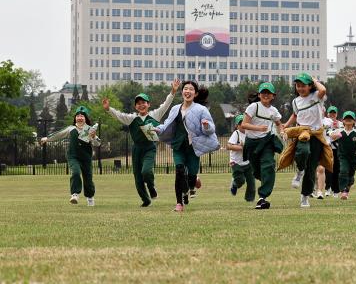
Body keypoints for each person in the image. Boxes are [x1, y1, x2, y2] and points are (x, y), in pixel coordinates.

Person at [102, 79, 179, 206]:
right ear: (135, 106)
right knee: (138, 178)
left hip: (149, 148)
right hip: (137, 149)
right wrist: (108, 109)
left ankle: (152, 187)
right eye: (138, 103)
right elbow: (119, 115)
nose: (141, 105)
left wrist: (173, 91)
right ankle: (146, 200)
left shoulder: (155, 115)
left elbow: (166, 104)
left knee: (146, 172)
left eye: (143, 102)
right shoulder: (132, 118)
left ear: (148, 104)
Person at [156, 81, 219, 212]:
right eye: (185, 89)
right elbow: (167, 124)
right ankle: (179, 203)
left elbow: (211, 129)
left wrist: (206, 126)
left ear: (195, 94)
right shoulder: (175, 109)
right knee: (179, 171)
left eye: (191, 89)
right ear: (182, 92)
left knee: (190, 178)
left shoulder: (201, 110)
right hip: (178, 146)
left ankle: (193, 180)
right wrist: (159, 129)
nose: (187, 91)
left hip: (193, 148)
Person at [282, 73, 333, 209]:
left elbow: (323, 90)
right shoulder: (295, 101)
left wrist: (314, 80)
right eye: (298, 86)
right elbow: (295, 115)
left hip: (316, 134)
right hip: (302, 133)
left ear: (310, 86)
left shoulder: (316, 96)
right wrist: (285, 126)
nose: (300, 88)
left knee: (311, 169)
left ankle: (305, 196)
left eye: (303, 85)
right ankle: (299, 171)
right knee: (302, 152)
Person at [40, 106, 100, 206]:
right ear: (75, 118)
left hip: (86, 158)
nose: (80, 118)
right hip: (73, 156)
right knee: (76, 172)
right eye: (78, 116)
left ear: (86, 118)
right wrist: (47, 138)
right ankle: (75, 194)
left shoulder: (89, 130)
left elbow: (97, 144)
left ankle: (90, 198)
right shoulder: (71, 129)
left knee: (88, 178)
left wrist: (93, 137)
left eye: (82, 116)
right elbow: (58, 134)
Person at [241, 82, 286, 210]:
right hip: (252, 143)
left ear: (273, 96)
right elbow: (244, 124)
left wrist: (282, 132)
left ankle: (262, 197)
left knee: (268, 165)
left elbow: (279, 123)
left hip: (267, 141)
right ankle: (267, 180)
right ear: (259, 95)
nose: (266, 95)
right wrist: (258, 128)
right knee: (257, 171)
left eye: (268, 93)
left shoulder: (274, 111)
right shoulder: (253, 107)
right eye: (263, 92)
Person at [224, 114, 256, 203]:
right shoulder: (236, 133)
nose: (243, 125)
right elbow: (228, 146)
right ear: (237, 125)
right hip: (236, 162)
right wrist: (240, 147)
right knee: (241, 180)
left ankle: (250, 199)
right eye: (241, 123)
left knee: (251, 181)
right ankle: (235, 183)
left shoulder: (251, 134)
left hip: (247, 162)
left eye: (245, 123)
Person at [333, 111, 356, 200]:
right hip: (343, 156)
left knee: (350, 175)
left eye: (350, 118)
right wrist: (334, 135)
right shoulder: (339, 131)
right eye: (346, 118)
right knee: (343, 171)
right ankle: (343, 191)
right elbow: (330, 134)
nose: (348, 120)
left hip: (354, 157)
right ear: (343, 120)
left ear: (354, 121)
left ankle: (346, 191)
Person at [322, 106, 343, 197]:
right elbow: (327, 134)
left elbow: (341, 134)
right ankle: (327, 188)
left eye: (334, 113)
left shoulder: (341, 124)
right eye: (331, 113)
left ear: (336, 114)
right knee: (328, 169)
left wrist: (336, 132)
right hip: (328, 148)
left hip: (338, 150)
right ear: (328, 114)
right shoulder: (325, 123)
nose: (332, 115)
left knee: (337, 169)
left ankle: (336, 190)